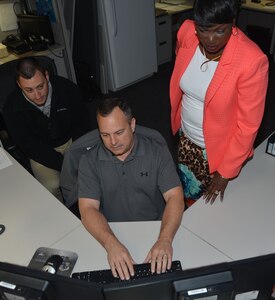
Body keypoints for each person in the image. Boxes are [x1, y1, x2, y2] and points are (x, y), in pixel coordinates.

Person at [170, 0, 269, 207]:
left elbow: (248, 126)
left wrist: (225, 172)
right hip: (186, 139)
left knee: (212, 213)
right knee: (188, 201)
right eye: (203, 30)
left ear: (233, 22)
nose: (211, 39)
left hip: (218, 153)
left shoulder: (251, 61)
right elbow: (182, 61)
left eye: (221, 31)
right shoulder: (187, 32)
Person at [77, 98, 184, 280]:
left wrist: (165, 239)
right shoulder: (89, 161)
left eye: (119, 132)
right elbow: (87, 209)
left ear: (132, 124)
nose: (112, 141)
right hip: (111, 232)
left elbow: (175, 196)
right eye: (105, 135)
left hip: (156, 230)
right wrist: (111, 244)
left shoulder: (156, 151)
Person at [3, 57, 90, 202]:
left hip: (72, 141)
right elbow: (30, 146)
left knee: (87, 176)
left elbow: (82, 125)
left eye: (40, 86)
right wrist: (64, 165)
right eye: (29, 90)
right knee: (51, 186)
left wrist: (75, 156)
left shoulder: (67, 89)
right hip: (42, 150)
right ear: (19, 85)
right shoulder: (11, 108)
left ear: (47, 76)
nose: (37, 95)